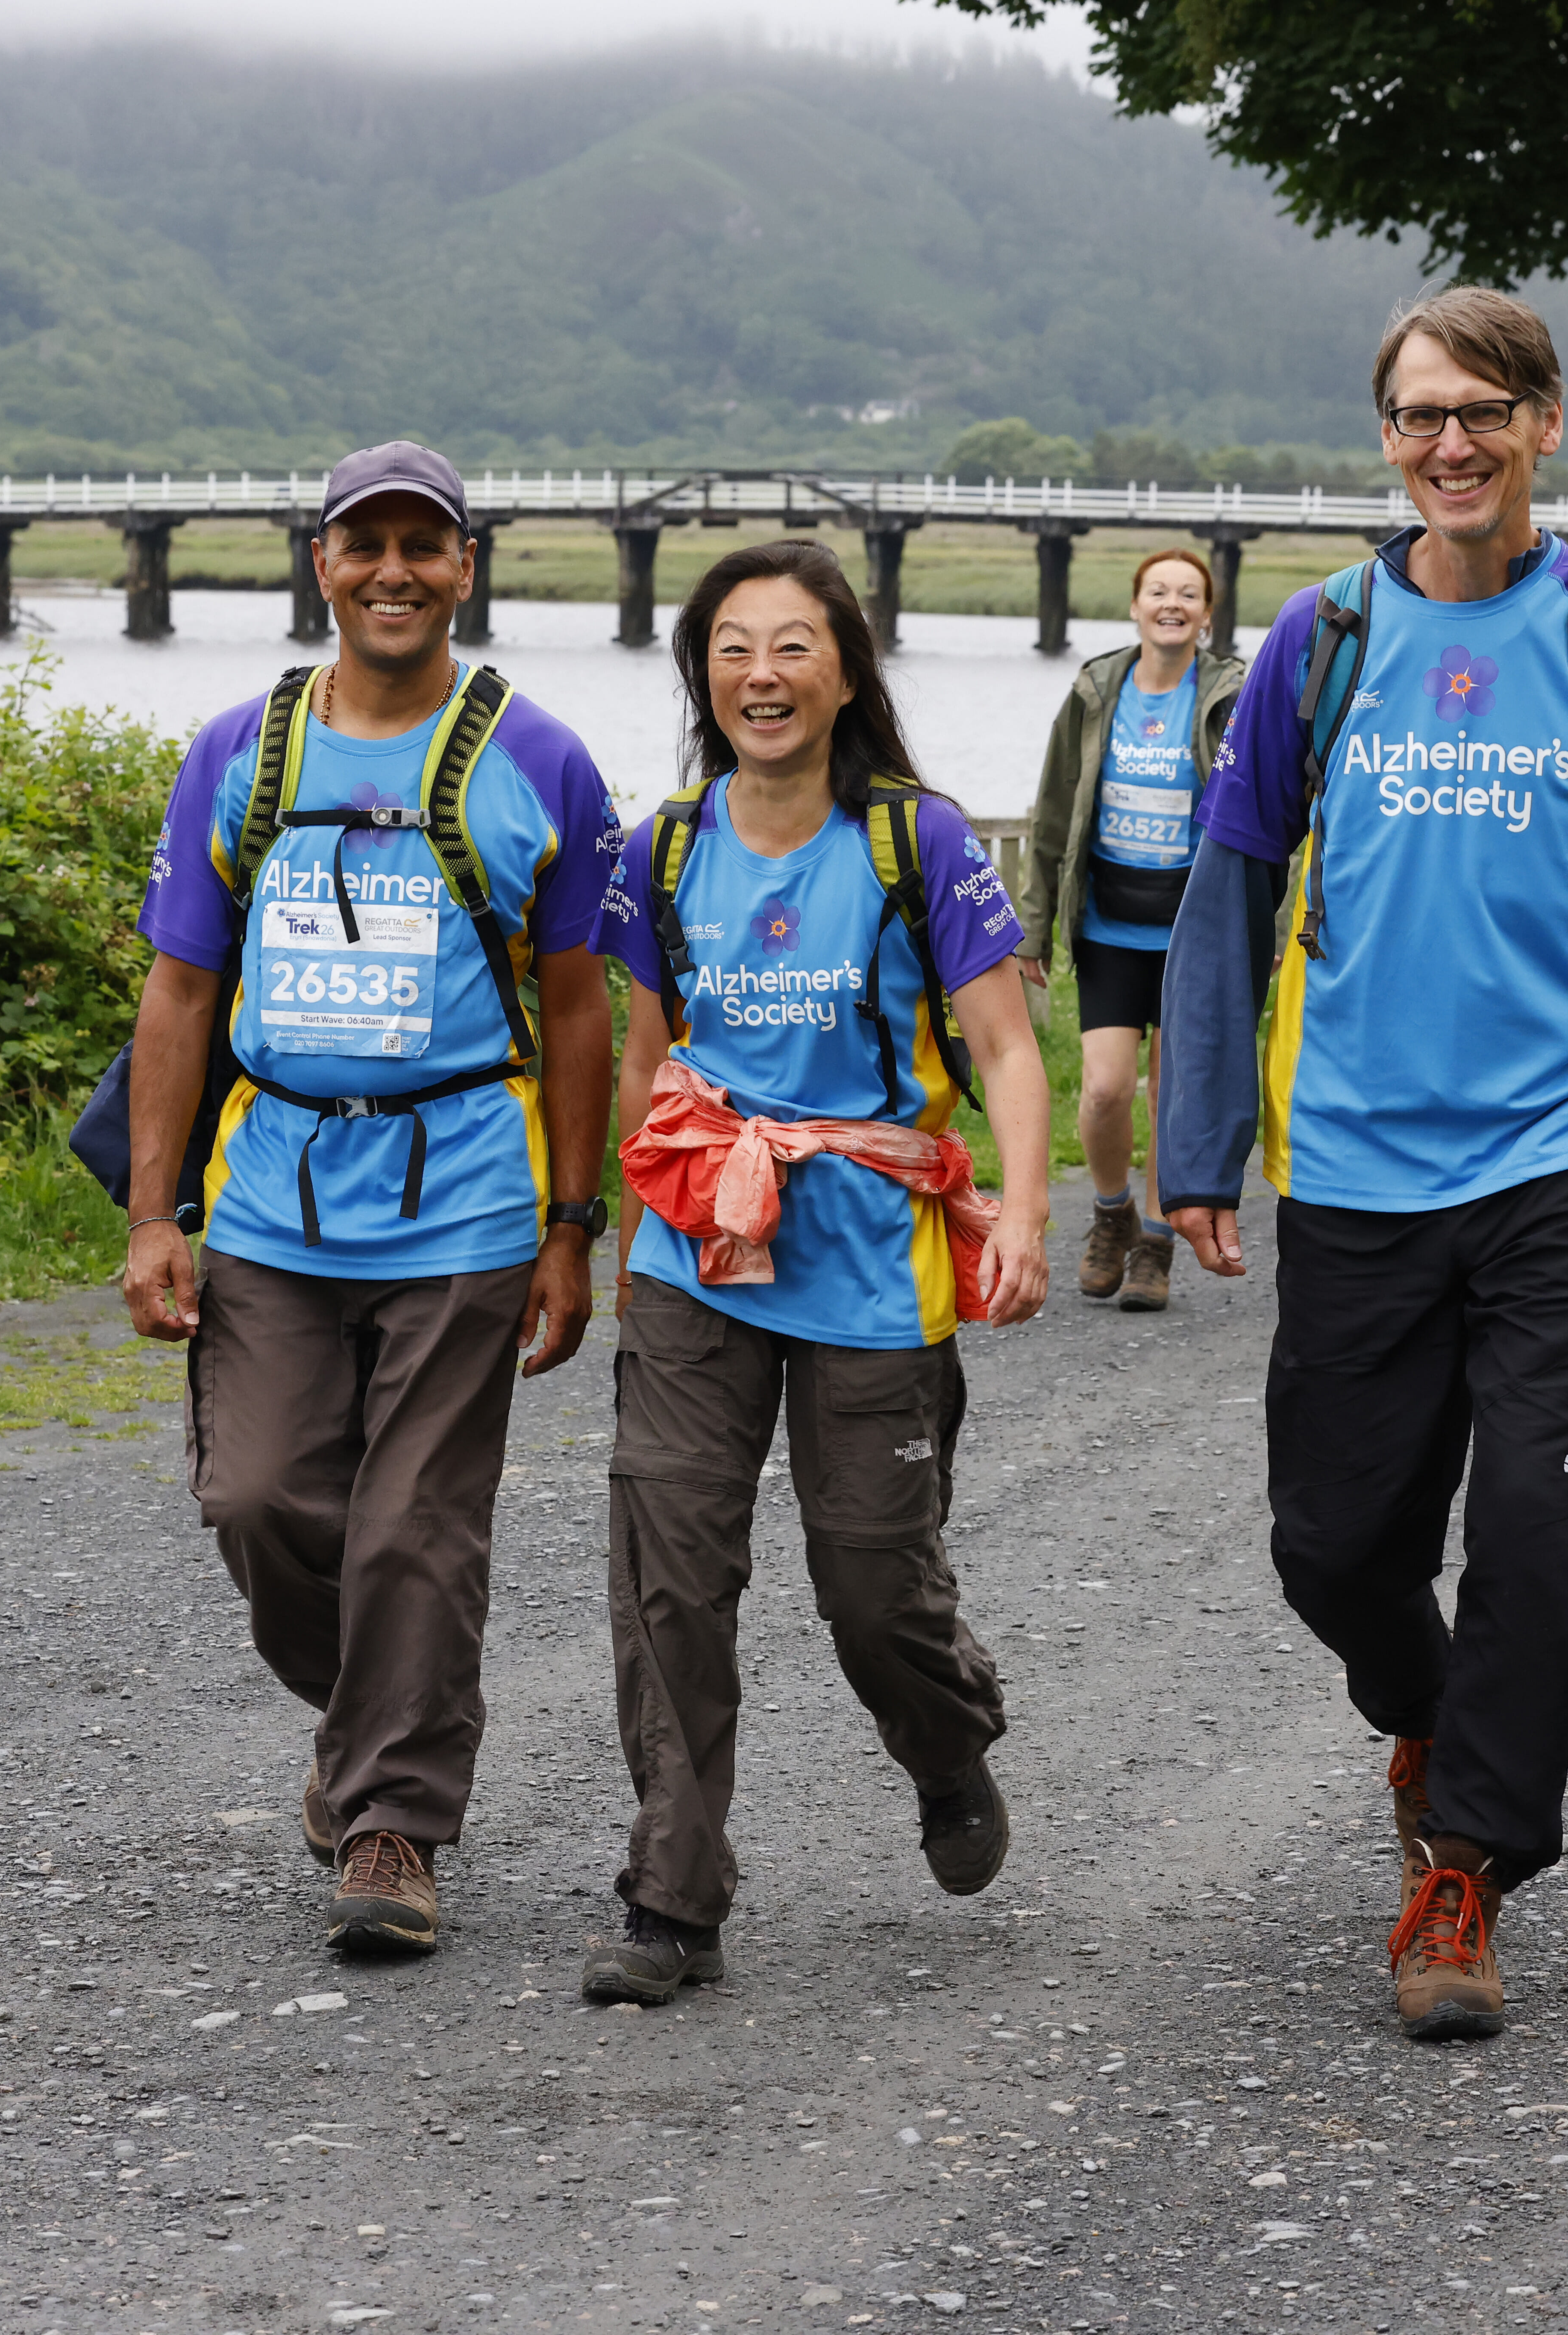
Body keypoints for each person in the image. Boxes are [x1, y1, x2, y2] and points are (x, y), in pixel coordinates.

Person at [1155, 288, 1568, 2041]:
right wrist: (1198, 1139)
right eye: (1419, 415)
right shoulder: (1316, 643)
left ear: (1542, 427)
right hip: (1352, 1168)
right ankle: (1429, 1719)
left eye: (1483, 413)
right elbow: (1229, 898)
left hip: (1564, 1159)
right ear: (1383, 437)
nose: (1450, 444)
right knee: (1330, 1542)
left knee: (1535, 1524)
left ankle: (1464, 1870)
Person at [122, 439, 618, 1959]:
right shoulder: (240, 751)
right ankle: (368, 1717)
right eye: (363, 543)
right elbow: (181, 985)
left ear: (468, 565)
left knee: (416, 1526)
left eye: (424, 543)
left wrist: (569, 1224)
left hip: (467, 1200)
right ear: (319, 564)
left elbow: (582, 1005)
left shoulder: (541, 759)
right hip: (270, 1198)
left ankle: (393, 1822)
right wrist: (154, 1215)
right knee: (259, 1498)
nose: (393, 569)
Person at [580, 539, 1056, 2006]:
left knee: (871, 1583)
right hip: (698, 1252)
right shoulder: (661, 848)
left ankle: (946, 1736)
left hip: (871, 1261)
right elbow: (648, 1058)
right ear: (699, 676)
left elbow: (1005, 1048)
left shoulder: (921, 842)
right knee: (670, 1566)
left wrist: (1027, 1213)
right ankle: (675, 1894)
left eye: (793, 646)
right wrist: (620, 1233)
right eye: (733, 647)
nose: (761, 675)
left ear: (845, 670)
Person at [1013, 547, 1248, 1312]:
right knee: (1109, 1088)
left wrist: (1266, 929)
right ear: (1136, 607)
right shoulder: (1095, 689)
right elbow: (1054, 809)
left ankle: (1154, 1242)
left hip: (1194, 930)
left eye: (1189, 593)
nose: (1173, 603)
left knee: (1170, 1092)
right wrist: (1033, 927)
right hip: (1110, 924)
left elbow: (1266, 812)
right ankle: (1111, 1213)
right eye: (1158, 591)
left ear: (1207, 615)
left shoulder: (1232, 694)